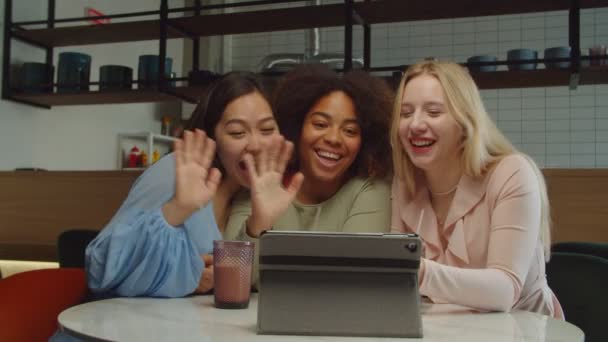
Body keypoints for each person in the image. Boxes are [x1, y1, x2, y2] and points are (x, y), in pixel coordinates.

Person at [85, 71, 286, 298]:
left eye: (267, 129)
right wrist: (177, 209)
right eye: (237, 132)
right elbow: (99, 268)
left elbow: (230, 281)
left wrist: (258, 225)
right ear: (213, 138)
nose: (256, 145)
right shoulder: (178, 171)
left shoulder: (247, 193)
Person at [390, 60, 563, 318]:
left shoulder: (513, 173)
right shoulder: (406, 182)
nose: (415, 125)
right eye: (405, 114)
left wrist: (415, 269)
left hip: (525, 333)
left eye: (434, 112)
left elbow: (504, 291)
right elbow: (397, 287)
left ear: (465, 120)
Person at [224, 64, 394, 242]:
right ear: (297, 128)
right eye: (320, 124)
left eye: (350, 131)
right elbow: (233, 268)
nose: (334, 138)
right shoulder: (263, 184)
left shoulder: (369, 189)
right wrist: (259, 223)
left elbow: (357, 267)